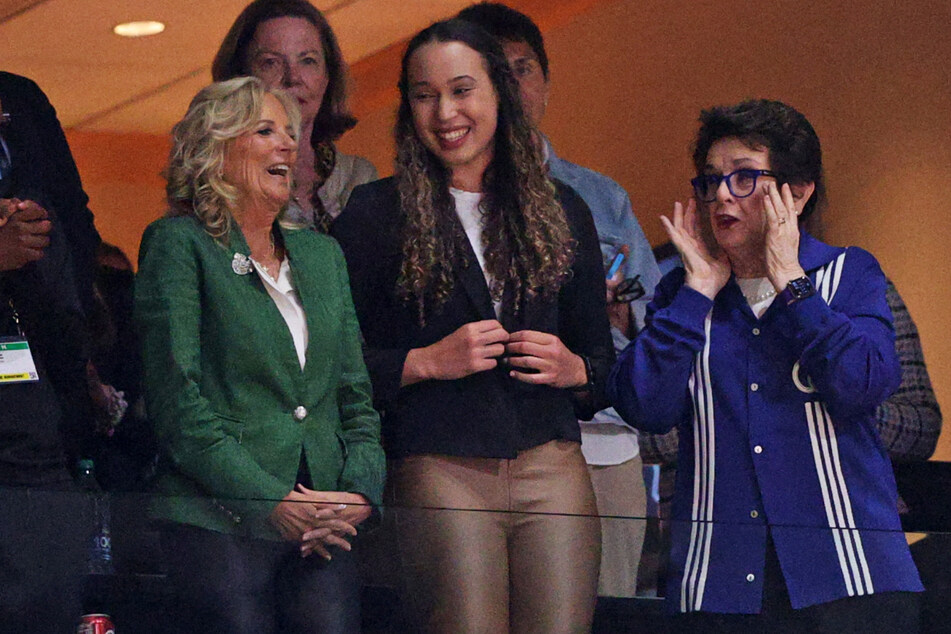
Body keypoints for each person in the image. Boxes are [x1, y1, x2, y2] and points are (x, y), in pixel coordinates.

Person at [331, 19, 614, 633]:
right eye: (424, 94)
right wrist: (426, 361)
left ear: (498, 94)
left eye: (462, 90)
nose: (445, 112)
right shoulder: (374, 214)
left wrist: (576, 370)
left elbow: (602, 361)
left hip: (552, 463)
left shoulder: (563, 208)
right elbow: (334, 366)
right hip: (439, 466)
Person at [608, 99, 923, 630]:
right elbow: (645, 406)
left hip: (849, 576)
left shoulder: (847, 273)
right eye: (711, 180)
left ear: (797, 193)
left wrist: (790, 282)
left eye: (745, 177)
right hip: (717, 579)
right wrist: (697, 295)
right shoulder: (681, 294)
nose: (722, 196)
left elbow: (861, 385)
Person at [134, 77, 385, 633]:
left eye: (290, 135)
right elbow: (177, 402)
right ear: (215, 149)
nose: (287, 147)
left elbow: (355, 397)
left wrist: (360, 492)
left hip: (322, 522)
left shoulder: (323, 255)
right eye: (265, 130)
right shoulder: (180, 244)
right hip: (217, 519)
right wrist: (269, 500)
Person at [457, 2, 663, 598]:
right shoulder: (429, 197)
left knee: (607, 610)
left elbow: (653, 330)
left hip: (599, 443)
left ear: (545, 81)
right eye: (493, 72)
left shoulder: (599, 197)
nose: (513, 86)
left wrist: (613, 311)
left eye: (524, 69)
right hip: (470, 448)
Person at [0, 72, 99, 633]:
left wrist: (39, 232)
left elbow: (73, 218)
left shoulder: (21, 99)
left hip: (35, 392)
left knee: (46, 592)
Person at [213, 0, 377, 232]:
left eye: (308, 61)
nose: (293, 77)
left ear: (328, 76)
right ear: (240, 78)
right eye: (271, 63)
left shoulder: (358, 177)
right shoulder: (219, 181)